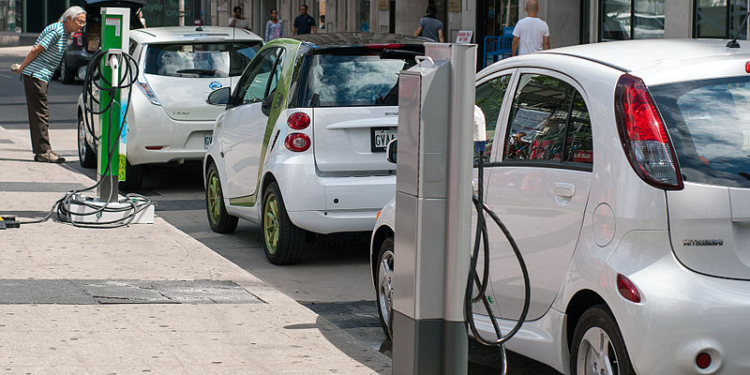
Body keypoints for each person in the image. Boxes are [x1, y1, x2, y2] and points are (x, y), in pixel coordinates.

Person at [11, 6, 85, 163]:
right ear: (69, 19)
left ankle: (43, 150)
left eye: (83, 22)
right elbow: (36, 49)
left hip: (40, 76)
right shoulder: (57, 31)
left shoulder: (63, 32)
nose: (82, 25)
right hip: (35, 75)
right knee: (40, 113)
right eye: (79, 21)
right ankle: (43, 151)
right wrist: (22, 67)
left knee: (40, 113)